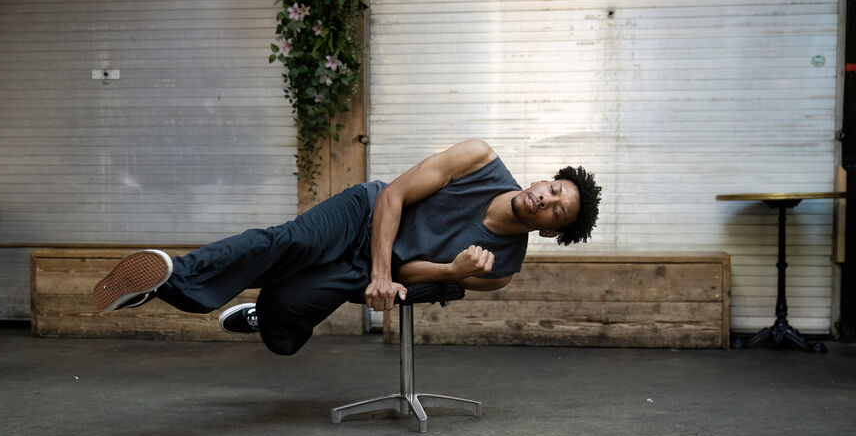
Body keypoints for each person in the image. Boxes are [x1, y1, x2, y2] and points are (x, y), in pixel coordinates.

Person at [93, 139, 601, 355]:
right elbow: (395, 196)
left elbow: (414, 276)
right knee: (285, 242)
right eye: (554, 190)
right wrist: (380, 273)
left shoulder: (504, 267)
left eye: (558, 212)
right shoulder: (478, 160)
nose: (546, 202)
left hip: (385, 269)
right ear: (545, 179)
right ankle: (170, 279)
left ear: (552, 231)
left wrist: (450, 270)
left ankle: (263, 317)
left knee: (285, 323)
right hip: (365, 214)